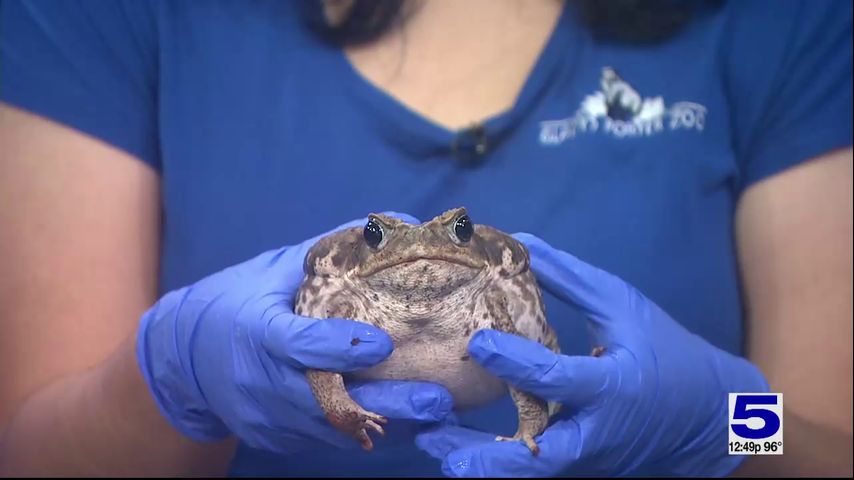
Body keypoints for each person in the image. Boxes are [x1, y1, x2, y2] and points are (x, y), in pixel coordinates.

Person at [0, 0, 851, 476]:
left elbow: (829, 452)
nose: (428, 239)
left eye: (455, 232)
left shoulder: (785, 23)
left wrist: (731, 429)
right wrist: (160, 382)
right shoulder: (102, 18)